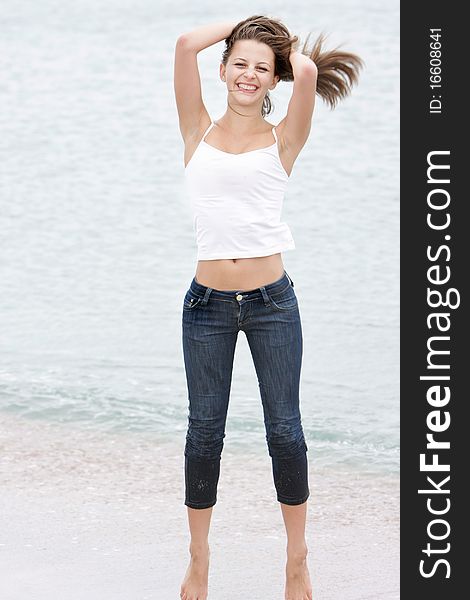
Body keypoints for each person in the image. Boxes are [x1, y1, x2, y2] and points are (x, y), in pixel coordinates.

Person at [174, 15, 363, 600]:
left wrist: (272, 43)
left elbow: (306, 69)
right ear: (224, 67)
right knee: (204, 433)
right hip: (206, 305)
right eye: (240, 64)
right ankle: (199, 559)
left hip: (272, 305)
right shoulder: (195, 128)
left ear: (273, 76)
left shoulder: (286, 138)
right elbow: (184, 44)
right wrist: (241, 25)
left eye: (261, 68)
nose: (249, 76)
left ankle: (297, 560)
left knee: (285, 432)